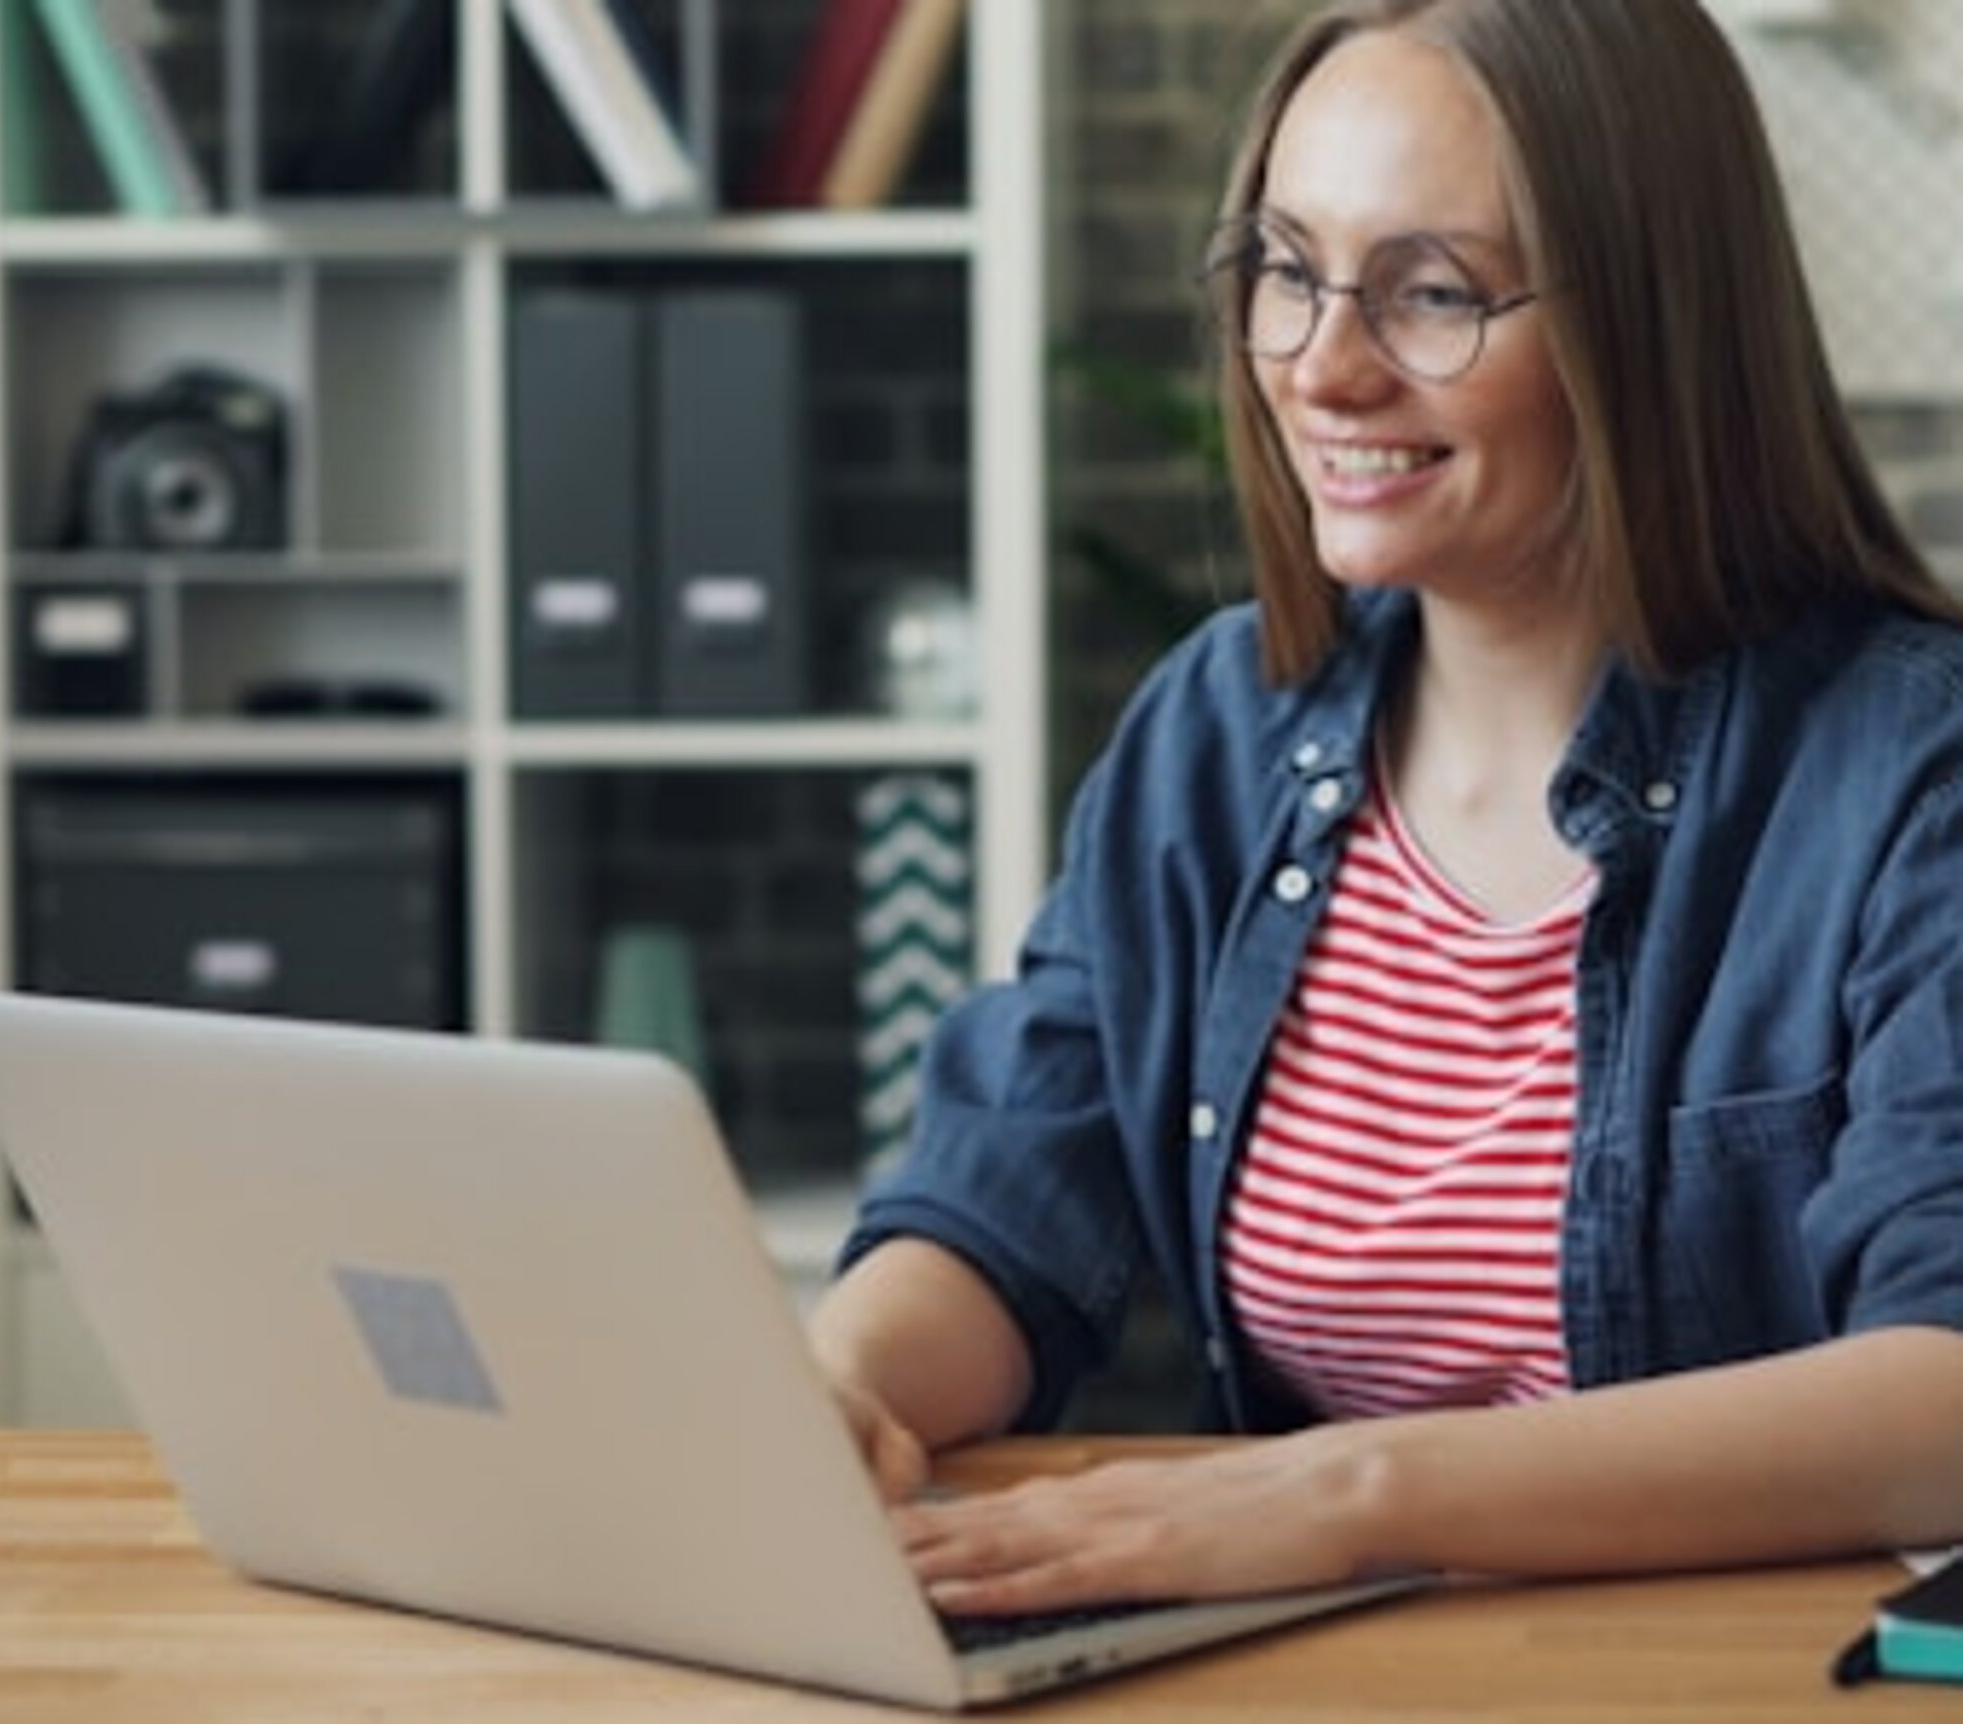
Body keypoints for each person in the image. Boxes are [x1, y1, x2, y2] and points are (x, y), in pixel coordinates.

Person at [811, 0, 1963, 1617]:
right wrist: (841, 1389)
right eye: (1288, 271)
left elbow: (1948, 1395)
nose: (1325, 368)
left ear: (1650, 322)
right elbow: (1005, 1200)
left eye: (1432, 293)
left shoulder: (1907, 772)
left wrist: (1358, 1493)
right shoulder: (1220, 728)